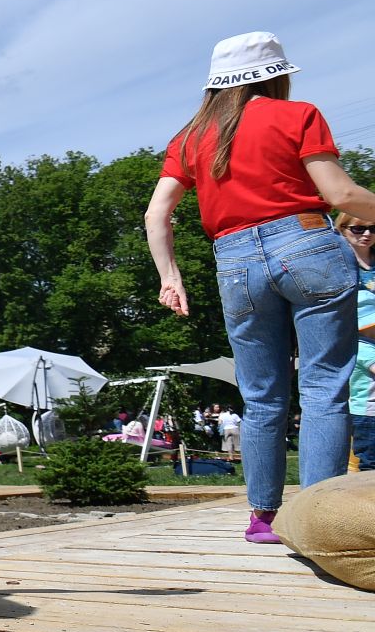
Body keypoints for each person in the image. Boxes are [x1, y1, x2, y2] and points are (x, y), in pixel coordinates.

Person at [145, 32, 375, 542]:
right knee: (323, 389)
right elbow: (340, 193)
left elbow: (157, 213)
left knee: (262, 397)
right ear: (277, 74)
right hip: (308, 245)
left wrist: (170, 276)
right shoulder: (298, 116)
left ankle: (263, 518)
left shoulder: (189, 138)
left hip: (235, 261)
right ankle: (317, 520)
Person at [338, 213, 375, 469]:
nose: (367, 234)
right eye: (358, 228)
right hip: (356, 345)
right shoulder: (339, 265)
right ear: (342, 230)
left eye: (373, 228)